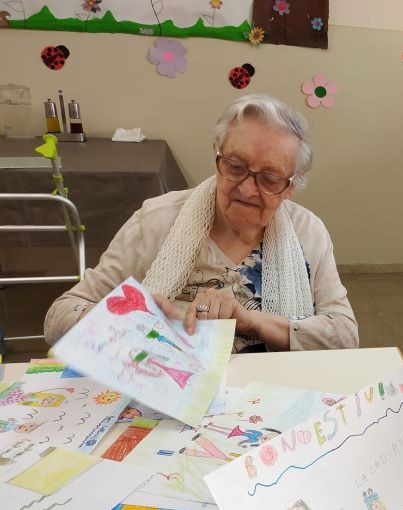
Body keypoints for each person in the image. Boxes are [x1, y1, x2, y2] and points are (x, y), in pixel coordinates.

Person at [44, 94, 358, 353]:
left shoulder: (308, 232)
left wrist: (251, 321)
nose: (247, 189)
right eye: (236, 167)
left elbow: (344, 335)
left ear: (290, 187)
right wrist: (129, 317)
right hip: (166, 389)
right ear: (216, 156)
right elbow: (59, 318)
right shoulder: (155, 221)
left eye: (270, 178)